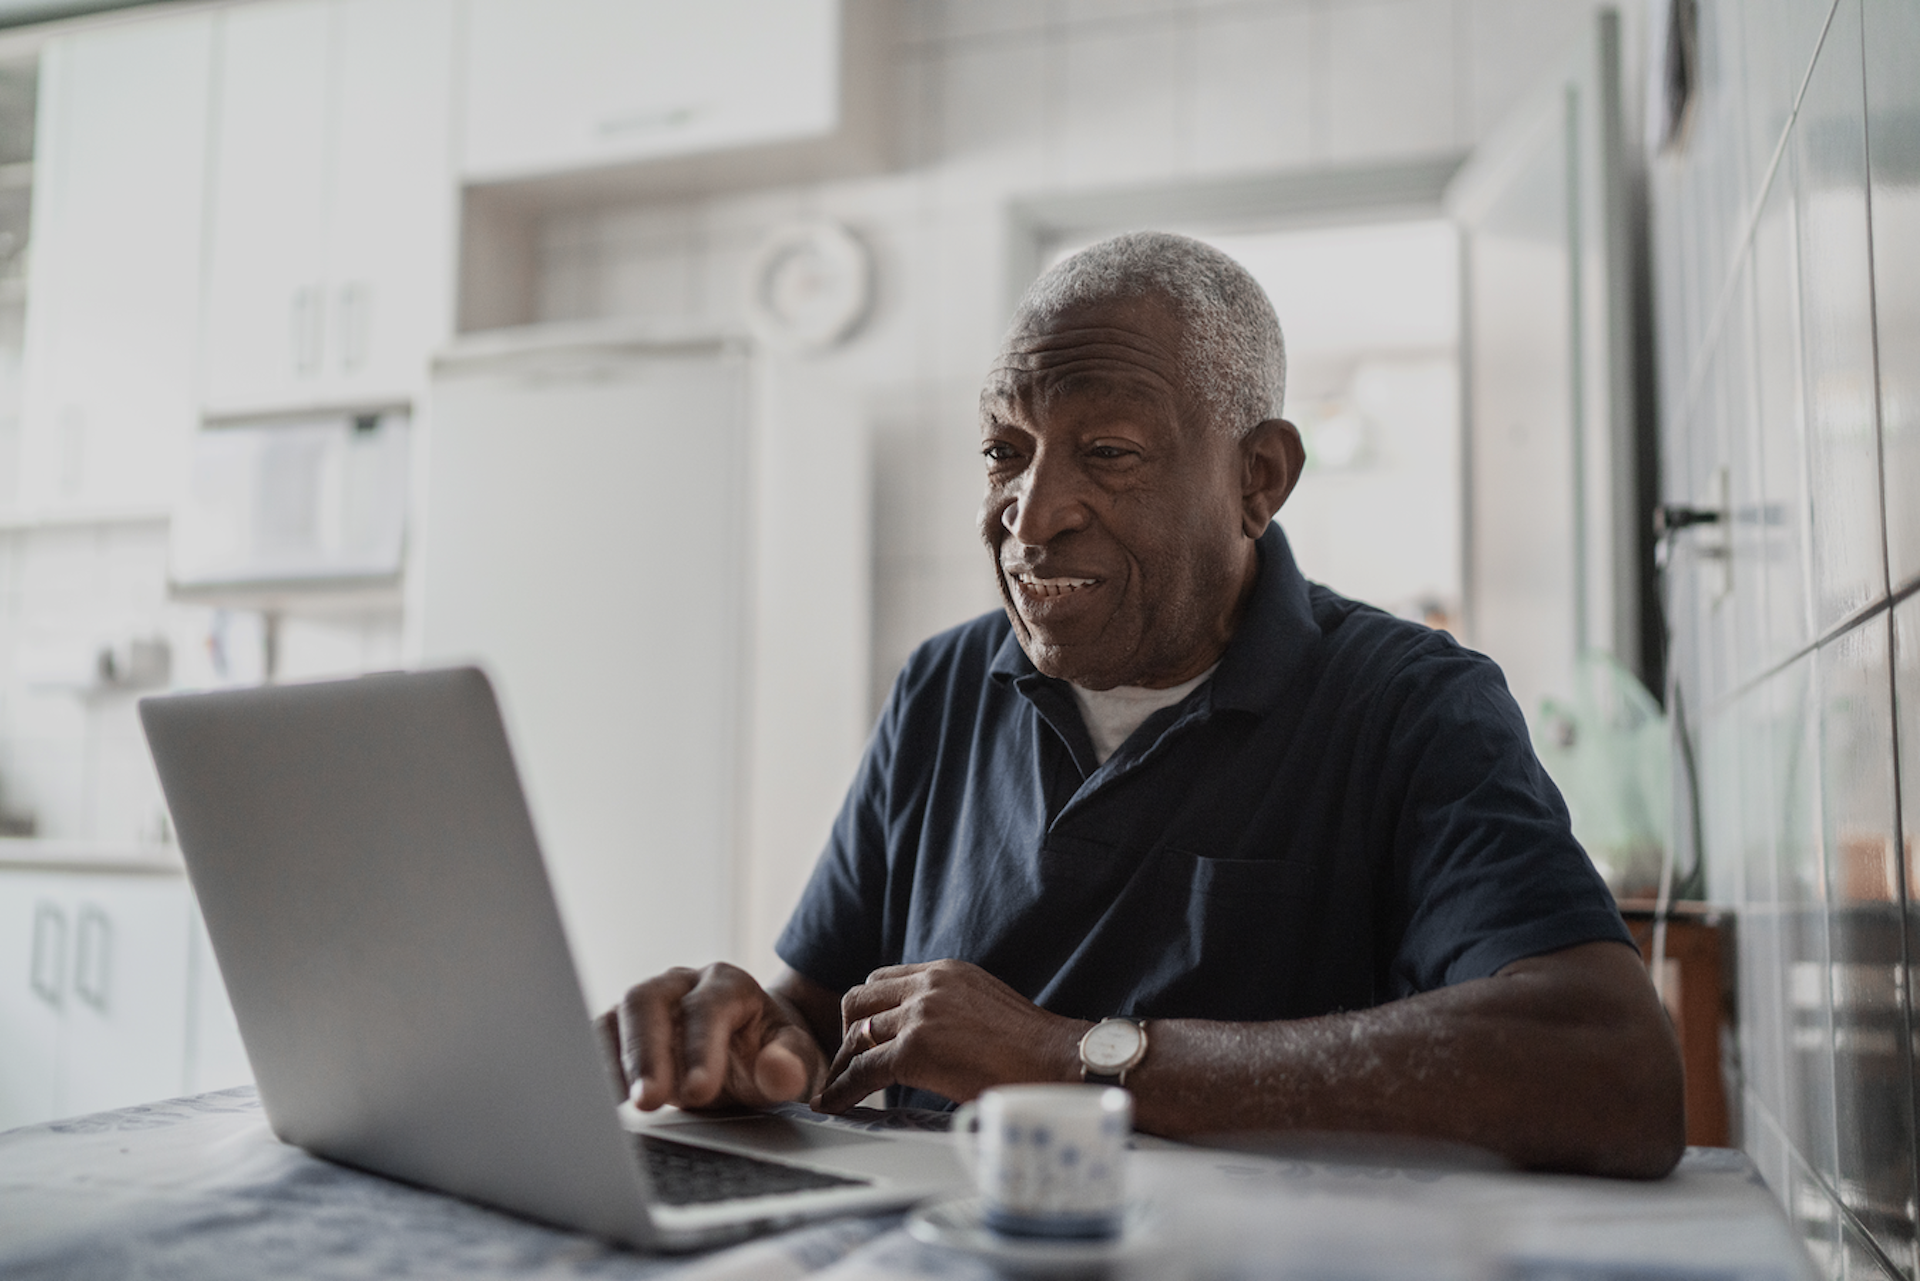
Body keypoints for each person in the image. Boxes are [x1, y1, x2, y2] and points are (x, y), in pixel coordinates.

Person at [598, 231, 1684, 1179]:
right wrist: (742, 1048)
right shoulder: (942, 685)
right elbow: (819, 1022)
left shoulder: (1413, 706)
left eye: (1106, 453)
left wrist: (1072, 1058)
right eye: (1004, 453)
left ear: (1259, 479)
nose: (1029, 519)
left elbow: (1611, 1068)